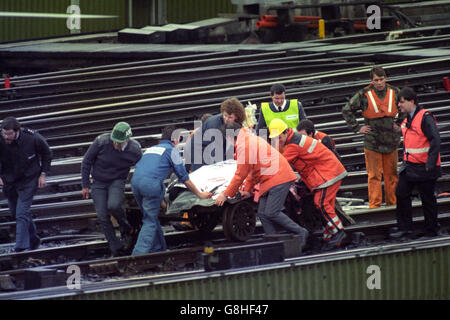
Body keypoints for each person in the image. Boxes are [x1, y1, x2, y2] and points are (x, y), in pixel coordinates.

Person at [214, 121, 309, 249]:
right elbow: (252, 170)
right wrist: (247, 189)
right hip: (273, 177)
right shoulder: (249, 139)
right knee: (263, 213)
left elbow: (240, 175)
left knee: (271, 212)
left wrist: (225, 195)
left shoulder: (244, 146)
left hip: (278, 177)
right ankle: (274, 243)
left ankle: (301, 232)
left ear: (229, 137)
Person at [269, 118, 348, 250]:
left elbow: (280, 163)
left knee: (321, 203)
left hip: (328, 174)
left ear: (284, 133)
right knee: (327, 206)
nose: (278, 141)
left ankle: (338, 231)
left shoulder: (293, 145)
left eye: (278, 138)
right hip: (330, 172)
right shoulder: (294, 140)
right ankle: (330, 236)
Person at [131, 126, 211, 255]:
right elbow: (184, 177)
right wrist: (199, 193)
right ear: (174, 140)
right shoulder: (172, 151)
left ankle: (160, 249)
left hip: (135, 183)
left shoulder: (151, 149)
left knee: (150, 216)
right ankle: (138, 255)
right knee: (150, 220)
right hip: (150, 185)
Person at [342, 66, 406, 208]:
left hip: (391, 141)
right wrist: (357, 128)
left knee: (392, 175)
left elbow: (406, 106)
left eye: (381, 79)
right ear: (371, 81)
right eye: (376, 80)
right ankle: (375, 206)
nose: (379, 83)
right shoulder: (364, 93)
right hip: (372, 142)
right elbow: (347, 110)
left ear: (386, 79)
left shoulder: (395, 92)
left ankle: (393, 205)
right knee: (374, 176)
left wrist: (399, 123)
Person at [81, 122, 142, 256]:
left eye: (119, 143)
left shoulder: (135, 150)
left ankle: (126, 229)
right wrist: (85, 185)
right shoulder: (101, 141)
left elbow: (142, 167)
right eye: (114, 141)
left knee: (114, 205)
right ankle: (116, 246)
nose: (115, 144)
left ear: (127, 140)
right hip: (98, 182)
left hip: (117, 180)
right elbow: (86, 161)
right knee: (102, 215)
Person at [390, 87, 441, 239]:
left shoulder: (425, 117)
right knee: (401, 192)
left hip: (425, 166)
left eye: (402, 102)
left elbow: (435, 140)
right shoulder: (407, 119)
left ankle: (431, 230)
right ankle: (405, 229)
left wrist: (430, 163)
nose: (399, 105)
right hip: (411, 165)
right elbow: (411, 136)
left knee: (427, 199)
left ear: (411, 101)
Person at [0, 116, 52, 252]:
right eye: (3, 133)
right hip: (9, 180)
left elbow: (47, 154)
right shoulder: (1, 139)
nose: (6, 136)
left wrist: (43, 174)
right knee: (15, 211)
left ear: (17, 131)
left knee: (21, 213)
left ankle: (21, 247)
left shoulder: (33, 138)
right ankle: (33, 239)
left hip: (29, 179)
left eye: (9, 134)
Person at [184, 98, 246, 172]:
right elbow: (216, 152)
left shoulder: (236, 124)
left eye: (230, 117)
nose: (226, 119)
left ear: (237, 117)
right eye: (225, 115)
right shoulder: (214, 125)